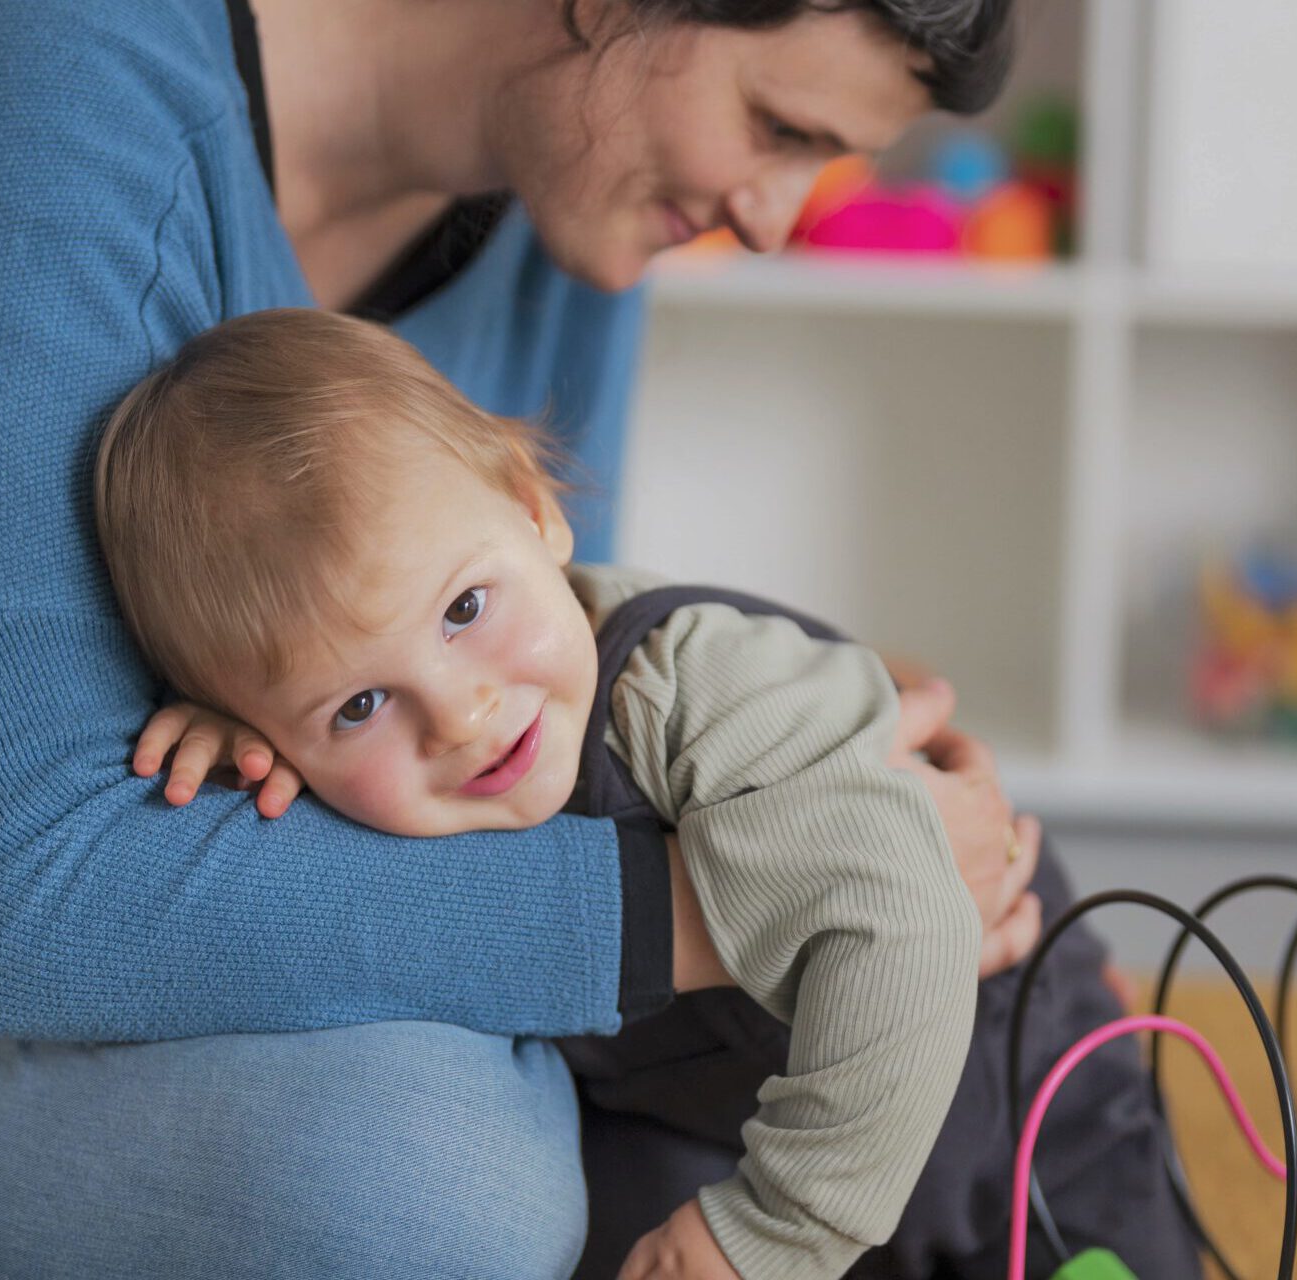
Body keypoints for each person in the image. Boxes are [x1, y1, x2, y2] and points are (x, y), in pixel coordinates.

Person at [0, 1, 1036, 1276]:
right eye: (778, 126)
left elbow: (534, 778)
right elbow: (48, 902)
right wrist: (767, 894)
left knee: (920, 960)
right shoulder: (20, 67)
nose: (775, 220)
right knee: (444, 1180)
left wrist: (821, 764)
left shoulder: (571, 199)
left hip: (148, 1024)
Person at [97, 309, 1197, 1278]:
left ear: (536, 514)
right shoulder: (347, 785)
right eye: (356, 706)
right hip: (731, 1136)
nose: (463, 716)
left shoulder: (693, 686)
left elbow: (897, 929)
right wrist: (245, 763)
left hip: (1006, 1099)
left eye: (466, 608)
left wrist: (772, 1233)